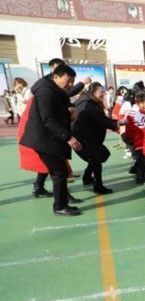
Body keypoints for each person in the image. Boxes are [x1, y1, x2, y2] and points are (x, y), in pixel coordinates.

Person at [19, 64, 83, 216]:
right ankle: (60, 206)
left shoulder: (54, 89)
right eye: (68, 80)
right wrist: (69, 138)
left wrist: (70, 112)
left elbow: (59, 108)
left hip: (50, 138)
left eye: (72, 81)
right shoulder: (46, 92)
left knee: (59, 172)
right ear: (56, 76)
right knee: (58, 172)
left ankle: (62, 203)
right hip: (44, 139)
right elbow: (48, 119)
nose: (70, 85)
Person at [72, 82, 120, 194]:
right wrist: (118, 124)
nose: (103, 94)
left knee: (94, 158)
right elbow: (102, 120)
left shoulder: (86, 100)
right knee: (97, 158)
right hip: (85, 138)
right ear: (93, 93)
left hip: (84, 137)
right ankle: (98, 186)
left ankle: (87, 177)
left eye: (104, 92)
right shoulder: (89, 105)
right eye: (101, 92)